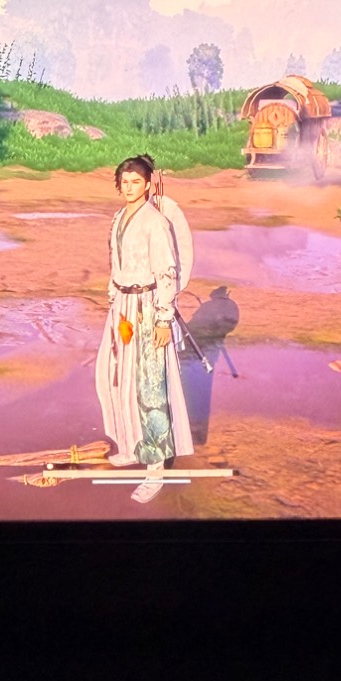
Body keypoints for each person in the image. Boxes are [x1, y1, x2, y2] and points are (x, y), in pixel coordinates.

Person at [96, 155, 194, 503]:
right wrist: (113, 301)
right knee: (117, 377)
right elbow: (115, 263)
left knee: (151, 386)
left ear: (148, 185)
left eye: (136, 182)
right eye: (124, 182)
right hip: (122, 309)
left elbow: (167, 270)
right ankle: (130, 445)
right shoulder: (118, 218)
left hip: (148, 307)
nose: (129, 187)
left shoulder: (155, 222)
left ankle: (155, 469)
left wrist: (164, 318)